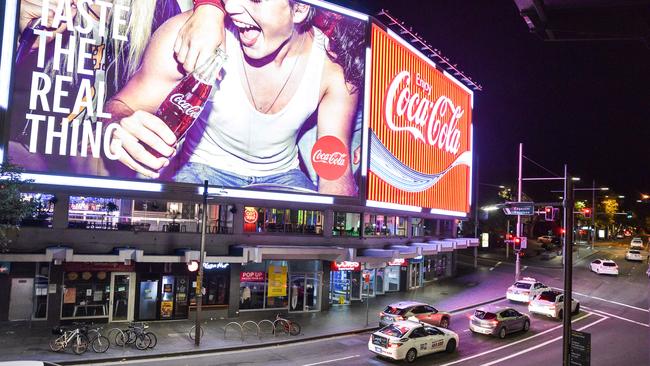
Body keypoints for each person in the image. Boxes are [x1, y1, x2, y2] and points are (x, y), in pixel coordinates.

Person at [105, 0, 365, 195]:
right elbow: (121, 106)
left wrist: (341, 247)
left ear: (299, 9)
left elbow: (334, 172)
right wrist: (121, 126)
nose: (231, 6)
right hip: (201, 170)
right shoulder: (192, 37)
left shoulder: (332, 69)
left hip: (282, 177)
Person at [8, 0, 182, 175]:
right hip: (26, 149)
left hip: (105, 164)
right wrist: (14, 33)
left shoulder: (160, 7)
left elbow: (166, 106)